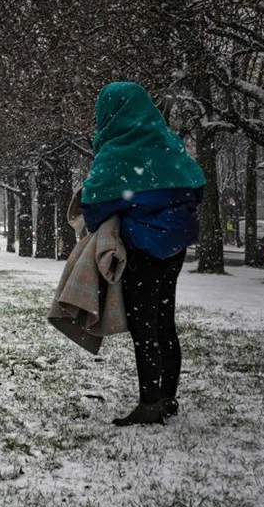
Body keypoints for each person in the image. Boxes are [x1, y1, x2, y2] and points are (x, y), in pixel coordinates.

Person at [80, 82, 205, 426]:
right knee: (165, 321)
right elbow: (196, 187)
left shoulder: (117, 151)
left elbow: (93, 210)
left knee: (144, 325)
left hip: (140, 250)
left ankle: (149, 402)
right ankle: (168, 396)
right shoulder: (167, 143)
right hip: (175, 247)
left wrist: (130, 205)